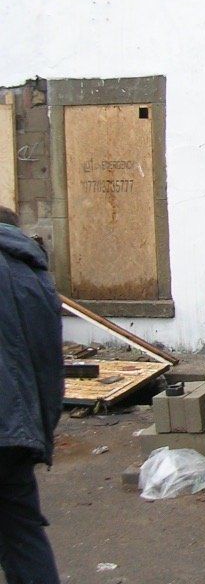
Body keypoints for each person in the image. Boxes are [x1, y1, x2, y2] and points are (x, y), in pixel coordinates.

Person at [0, 206, 63, 584]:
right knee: (24, 537)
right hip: (17, 437)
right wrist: (41, 432)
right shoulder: (35, 279)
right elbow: (48, 365)